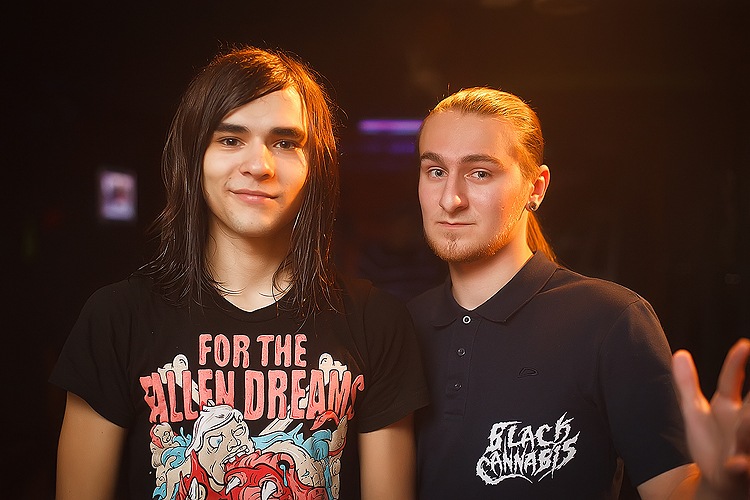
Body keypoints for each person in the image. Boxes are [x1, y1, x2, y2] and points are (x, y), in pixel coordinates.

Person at [51, 45, 428, 500]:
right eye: (230, 140)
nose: (258, 166)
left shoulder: (376, 322)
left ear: (315, 167)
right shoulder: (117, 318)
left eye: (285, 143)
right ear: (194, 156)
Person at [408, 86, 749, 499]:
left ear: (536, 188)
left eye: (480, 172)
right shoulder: (398, 328)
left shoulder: (610, 320)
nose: (451, 199)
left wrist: (715, 487)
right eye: (436, 171)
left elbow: (674, 486)